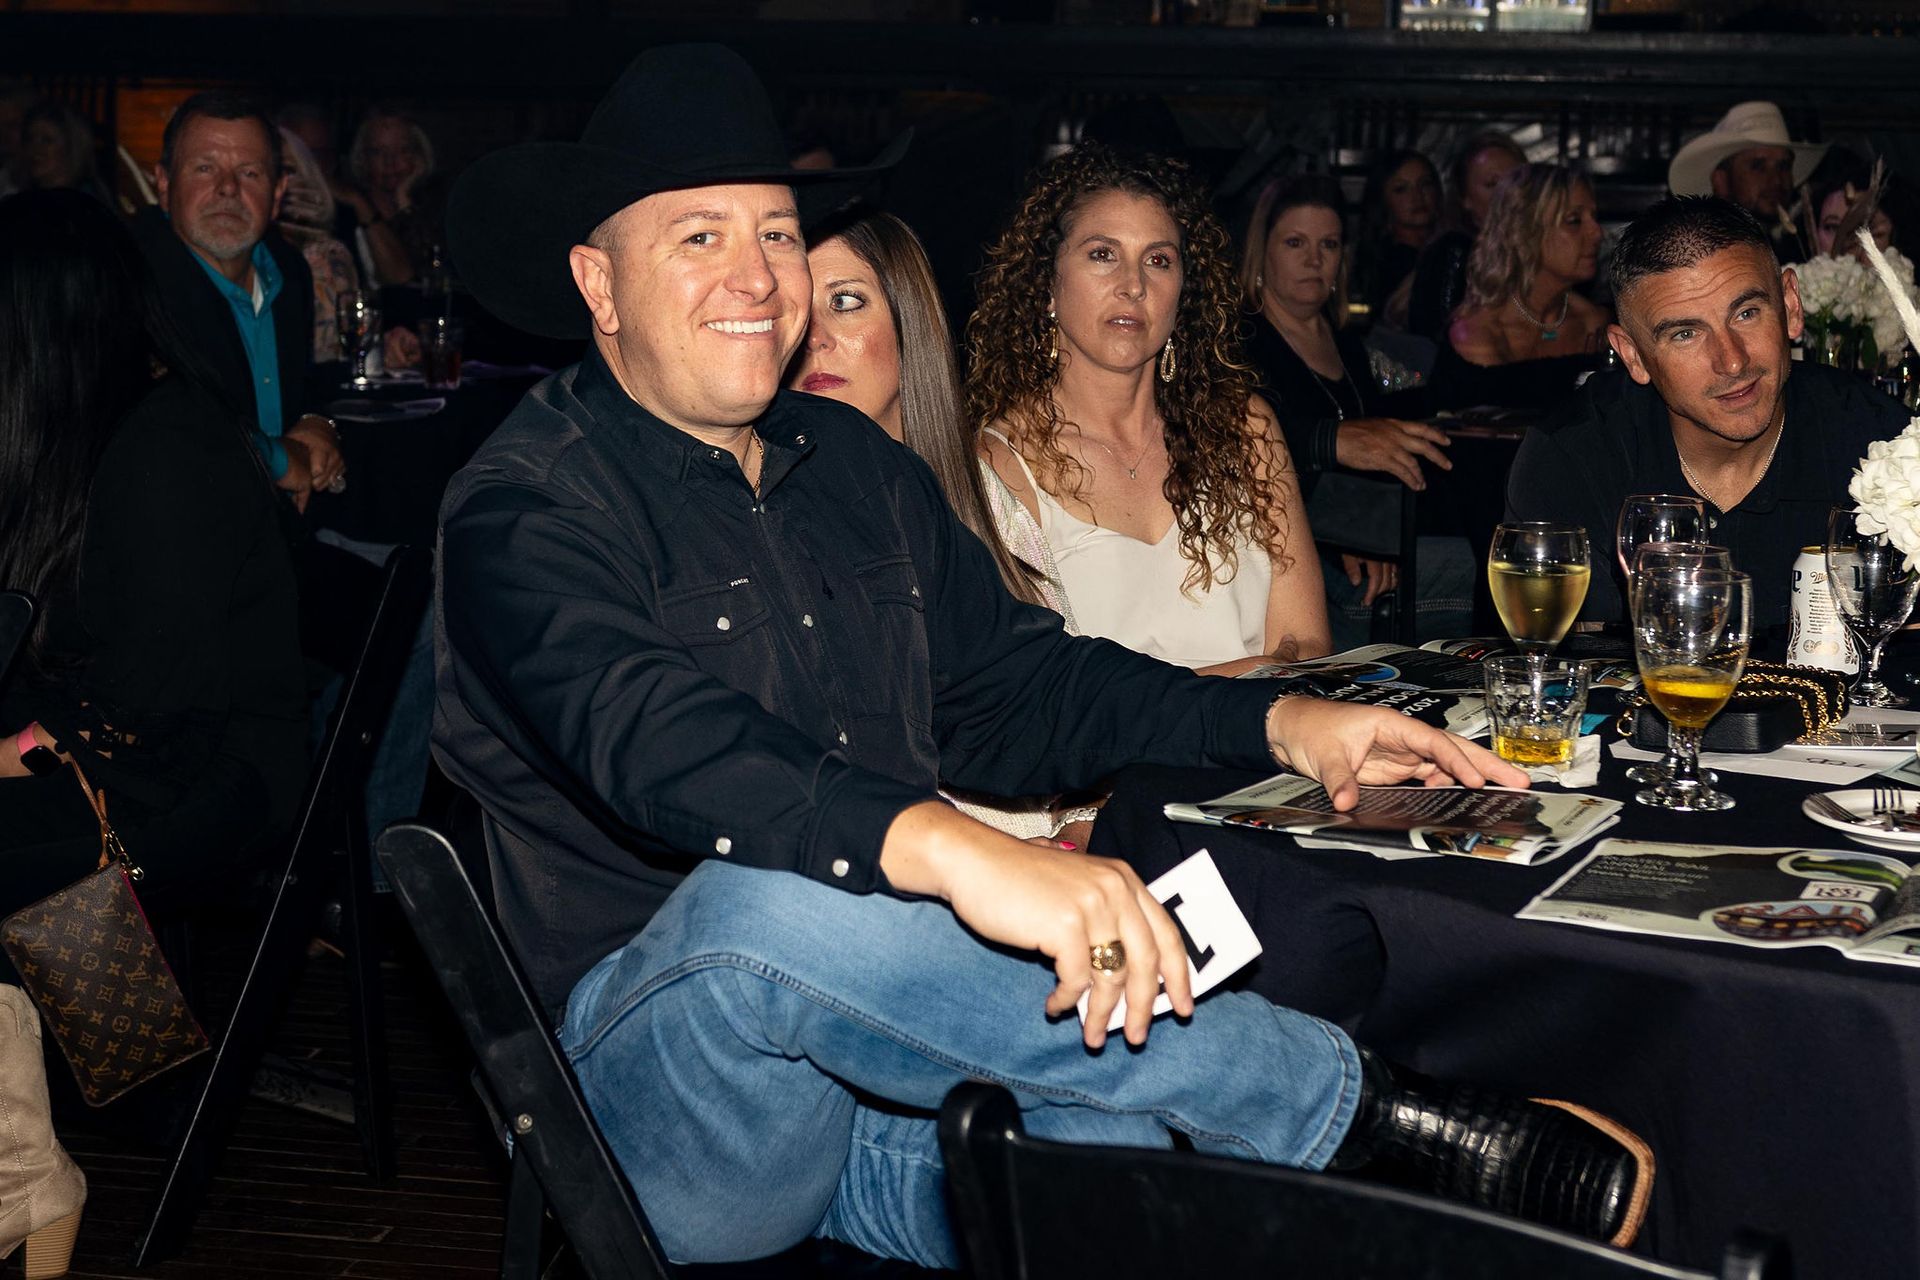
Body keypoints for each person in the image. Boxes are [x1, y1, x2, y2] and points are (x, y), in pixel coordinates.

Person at [436, 44, 1648, 1269]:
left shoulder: (852, 466)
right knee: (776, 894)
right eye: (700, 238)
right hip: (674, 1110)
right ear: (599, 283)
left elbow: (1023, 683)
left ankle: (1343, 1197)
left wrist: (1282, 719)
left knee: (1148, 1175)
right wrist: (958, 853)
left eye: (781, 234)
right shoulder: (526, 505)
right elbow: (650, 732)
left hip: (901, 1080)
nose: (759, 278)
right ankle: (1360, 1114)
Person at [0, 189, 308, 914]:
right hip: (107, 735)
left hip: (201, 775)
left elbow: (141, 719)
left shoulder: (167, 450)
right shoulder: (69, 433)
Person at [787, 209, 1090, 844]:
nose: (813, 336)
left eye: (846, 302)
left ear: (909, 325)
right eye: (792, 307)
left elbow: (1064, 706)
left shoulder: (987, 495)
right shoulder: (775, 525)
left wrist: (1074, 839)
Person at [969, 143, 1332, 672]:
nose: (1133, 285)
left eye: (1158, 260)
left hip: (1268, 750)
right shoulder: (1000, 464)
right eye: (1102, 254)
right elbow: (1040, 695)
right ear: (1048, 283)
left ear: (1182, 293)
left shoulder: (1245, 428)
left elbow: (1310, 647)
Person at [1505, 196, 1910, 629]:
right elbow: (1563, 663)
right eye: (1684, 334)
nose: (1732, 362)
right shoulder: (1574, 454)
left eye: (1747, 313)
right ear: (1633, 355)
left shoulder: (1886, 446)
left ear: (1791, 306)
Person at [1238, 173, 1472, 648]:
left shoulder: (1344, 341)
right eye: (1295, 242)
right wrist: (1335, 453)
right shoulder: (1240, 340)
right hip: (1279, 547)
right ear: (1261, 252)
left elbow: (1377, 452)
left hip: (1355, 532)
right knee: (1465, 566)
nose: (1314, 259)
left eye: (1329, 243)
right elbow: (1237, 454)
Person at [132, 91, 346, 511]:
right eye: (205, 168)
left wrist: (318, 422)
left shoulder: (289, 271)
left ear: (278, 191)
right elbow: (151, 426)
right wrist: (279, 459)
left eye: (249, 173)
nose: (227, 188)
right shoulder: (131, 278)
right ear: (163, 183)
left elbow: (304, 385)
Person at [1433, 163, 1608, 411]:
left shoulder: (1594, 323)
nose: (1597, 232)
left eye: (1595, 218)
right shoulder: (1480, 334)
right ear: (1526, 231)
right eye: (1574, 220)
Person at [1667, 101, 1826, 264]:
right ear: (1720, 181)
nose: (1777, 180)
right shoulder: (1697, 255)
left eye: (1783, 166)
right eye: (1758, 166)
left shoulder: (1802, 250)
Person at [1408, 130, 1527, 340]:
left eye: (1514, 180)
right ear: (1465, 199)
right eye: (1492, 184)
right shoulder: (1455, 250)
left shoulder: (1539, 251)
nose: (1506, 192)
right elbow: (1441, 334)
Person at [278, 128, 361, 363]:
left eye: (285, 170)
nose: (272, 182)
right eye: (253, 171)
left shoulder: (323, 256)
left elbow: (328, 354)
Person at [341, 108, 436, 286]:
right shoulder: (348, 215)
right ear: (363, 159)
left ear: (418, 156)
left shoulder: (434, 209)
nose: (390, 162)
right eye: (378, 152)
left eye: (402, 150)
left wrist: (403, 201)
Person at [1351, 148, 1440, 331]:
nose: (1417, 197)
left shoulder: (1453, 247)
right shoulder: (1383, 261)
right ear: (1383, 199)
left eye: (1425, 184)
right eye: (1401, 189)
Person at [15, 100, 109, 205]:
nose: (34, 148)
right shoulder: (25, 198)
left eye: (47, 140)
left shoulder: (85, 204)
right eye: (29, 139)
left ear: (71, 147)